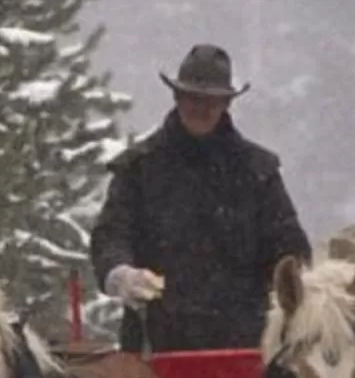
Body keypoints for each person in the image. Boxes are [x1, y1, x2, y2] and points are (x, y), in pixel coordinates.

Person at [89, 43, 312, 352]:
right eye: (193, 97)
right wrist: (121, 274)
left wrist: (290, 288)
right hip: (155, 344)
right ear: (177, 96)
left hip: (247, 346)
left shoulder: (258, 172)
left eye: (213, 100)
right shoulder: (138, 168)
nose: (202, 108)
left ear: (227, 104)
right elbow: (111, 236)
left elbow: (289, 247)